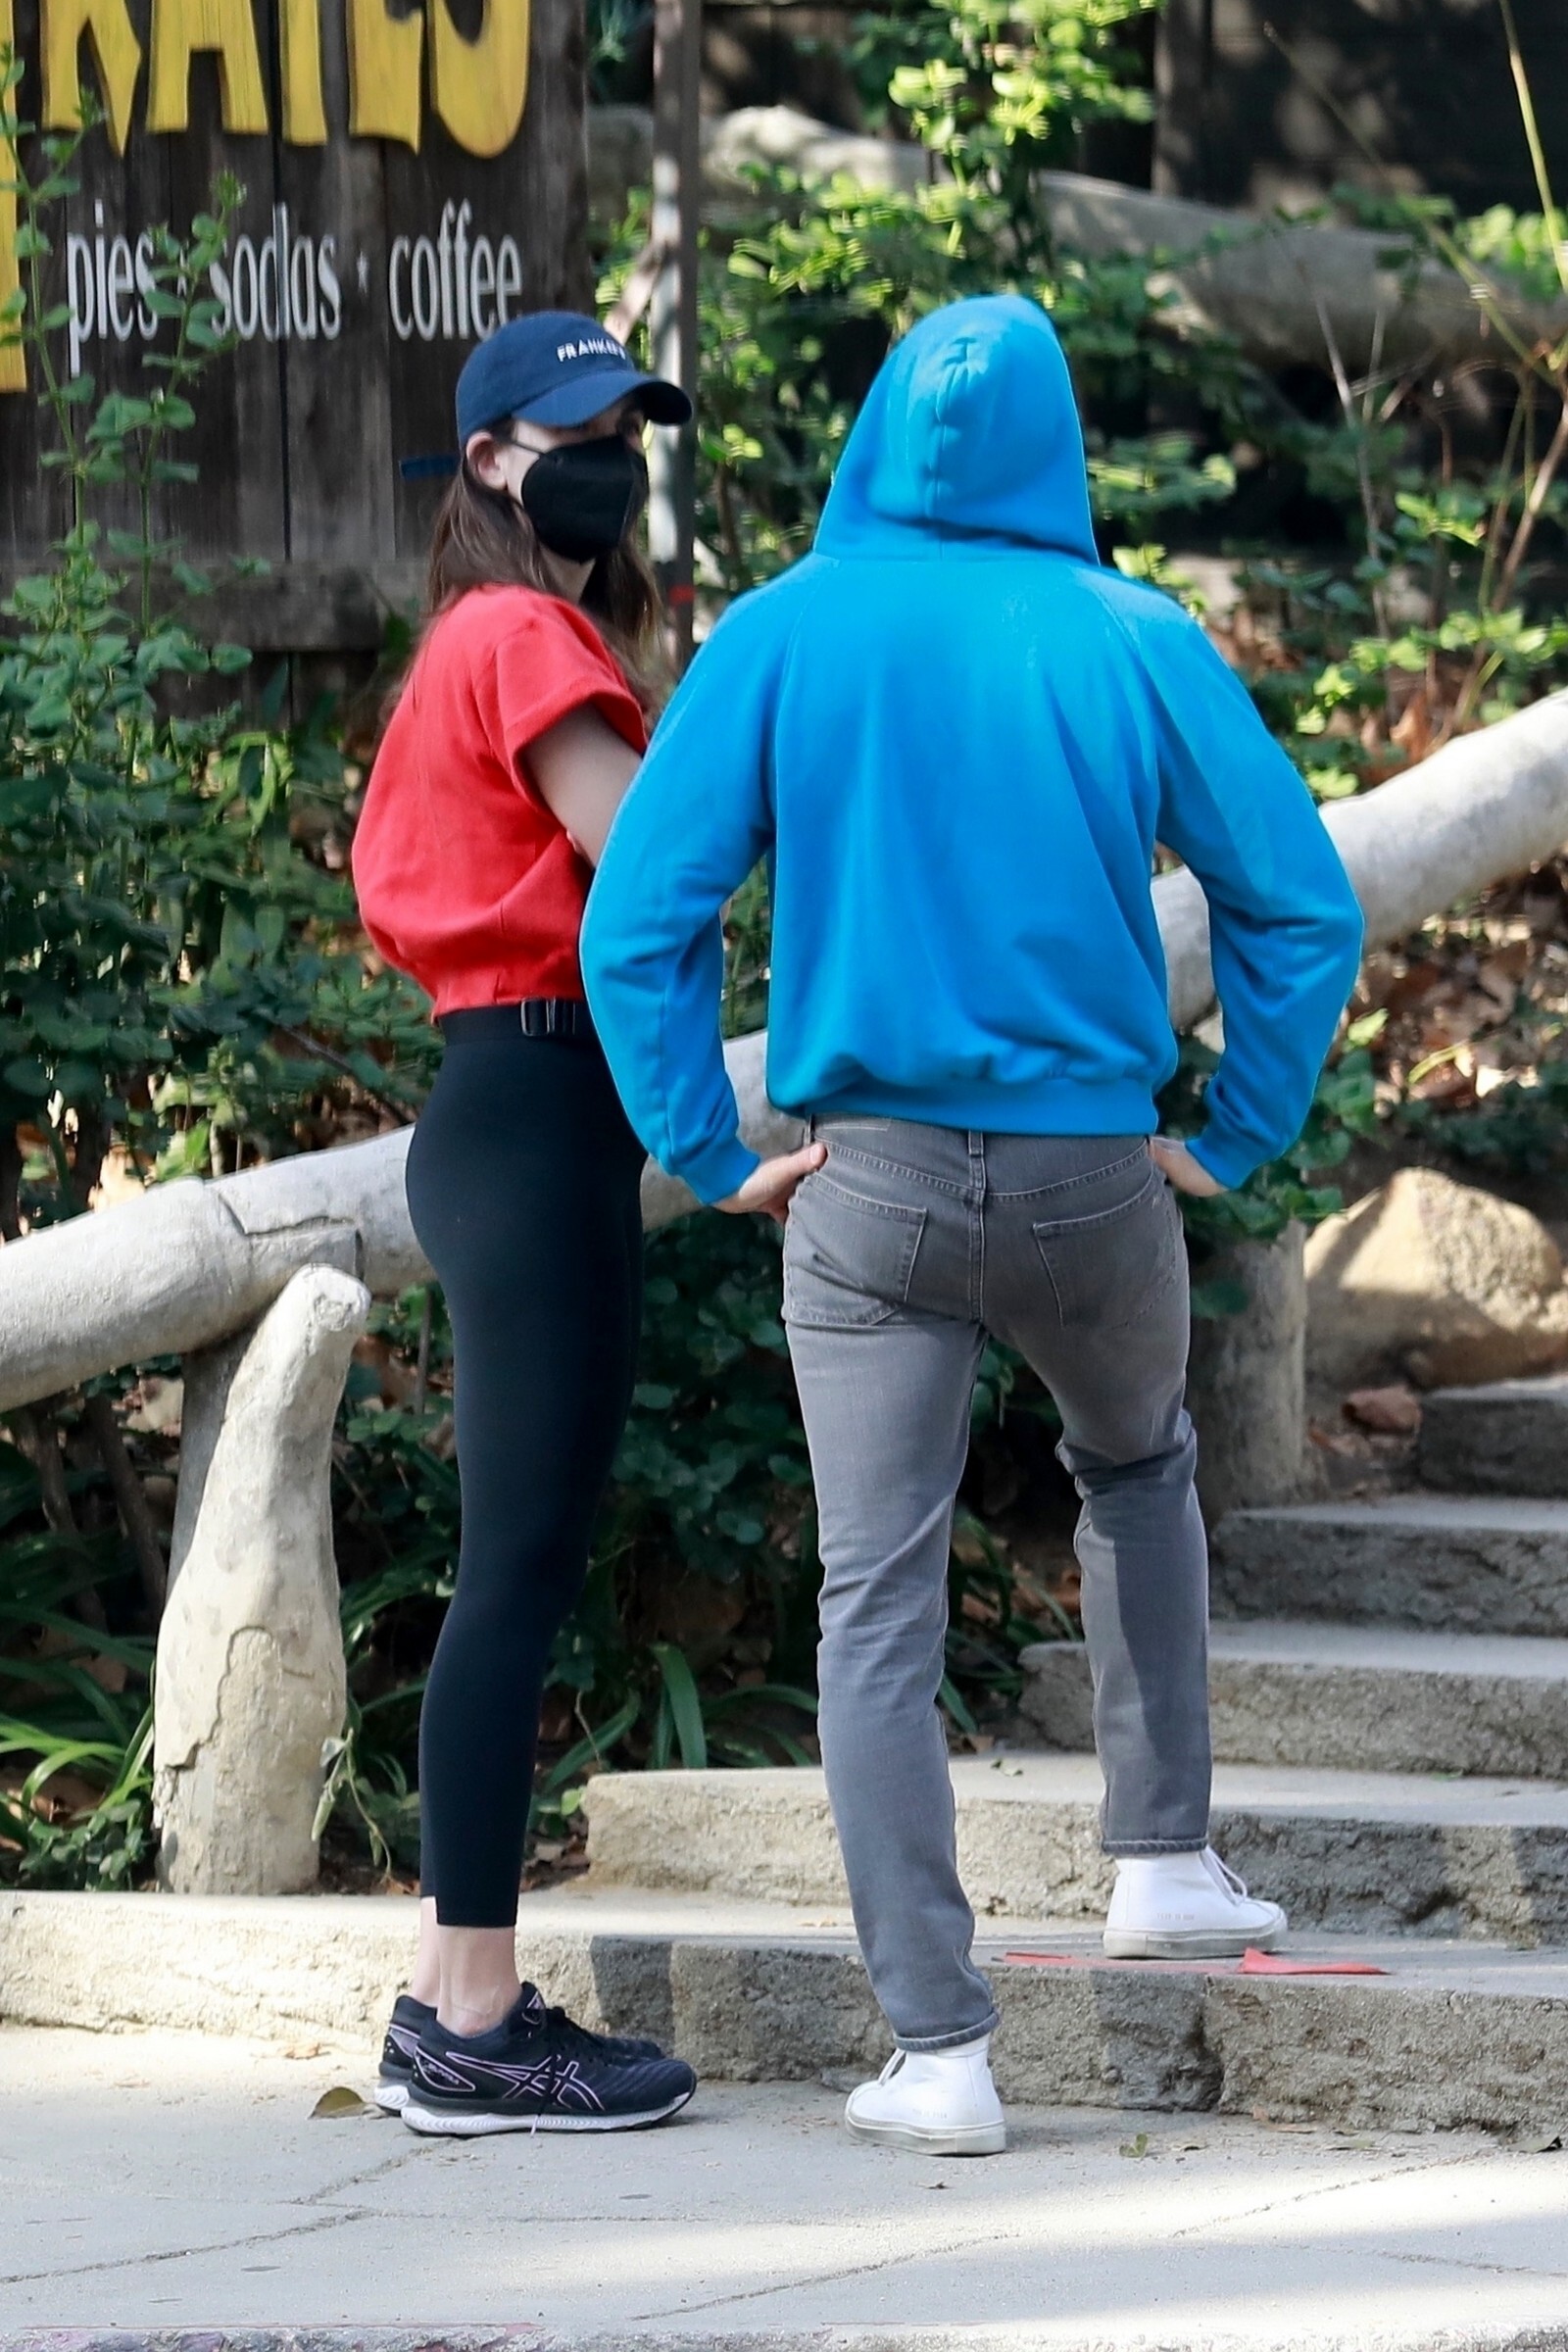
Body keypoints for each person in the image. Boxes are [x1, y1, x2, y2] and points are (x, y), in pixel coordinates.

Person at [580, 295, 1364, 2158]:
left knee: (877, 1595)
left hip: (865, 1187)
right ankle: (1160, 1858)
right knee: (1140, 1468)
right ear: (1057, 444)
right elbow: (1301, 904)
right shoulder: (1130, 635)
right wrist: (1235, 1131)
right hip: (1096, 1174)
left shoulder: (781, 633)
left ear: (868, 436)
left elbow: (640, 916)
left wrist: (703, 1141)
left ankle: (940, 2054)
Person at [350, 311, 703, 2139]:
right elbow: (645, 865)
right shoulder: (519, 634)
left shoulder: (473, 642)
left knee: (519, 1563)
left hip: (512, 1106)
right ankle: (479, 2021)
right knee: (516, 1575)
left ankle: (445, 1998)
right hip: (537, 1105)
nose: (614, 462)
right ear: (490, 458)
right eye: (581, 434)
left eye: (633, 429)